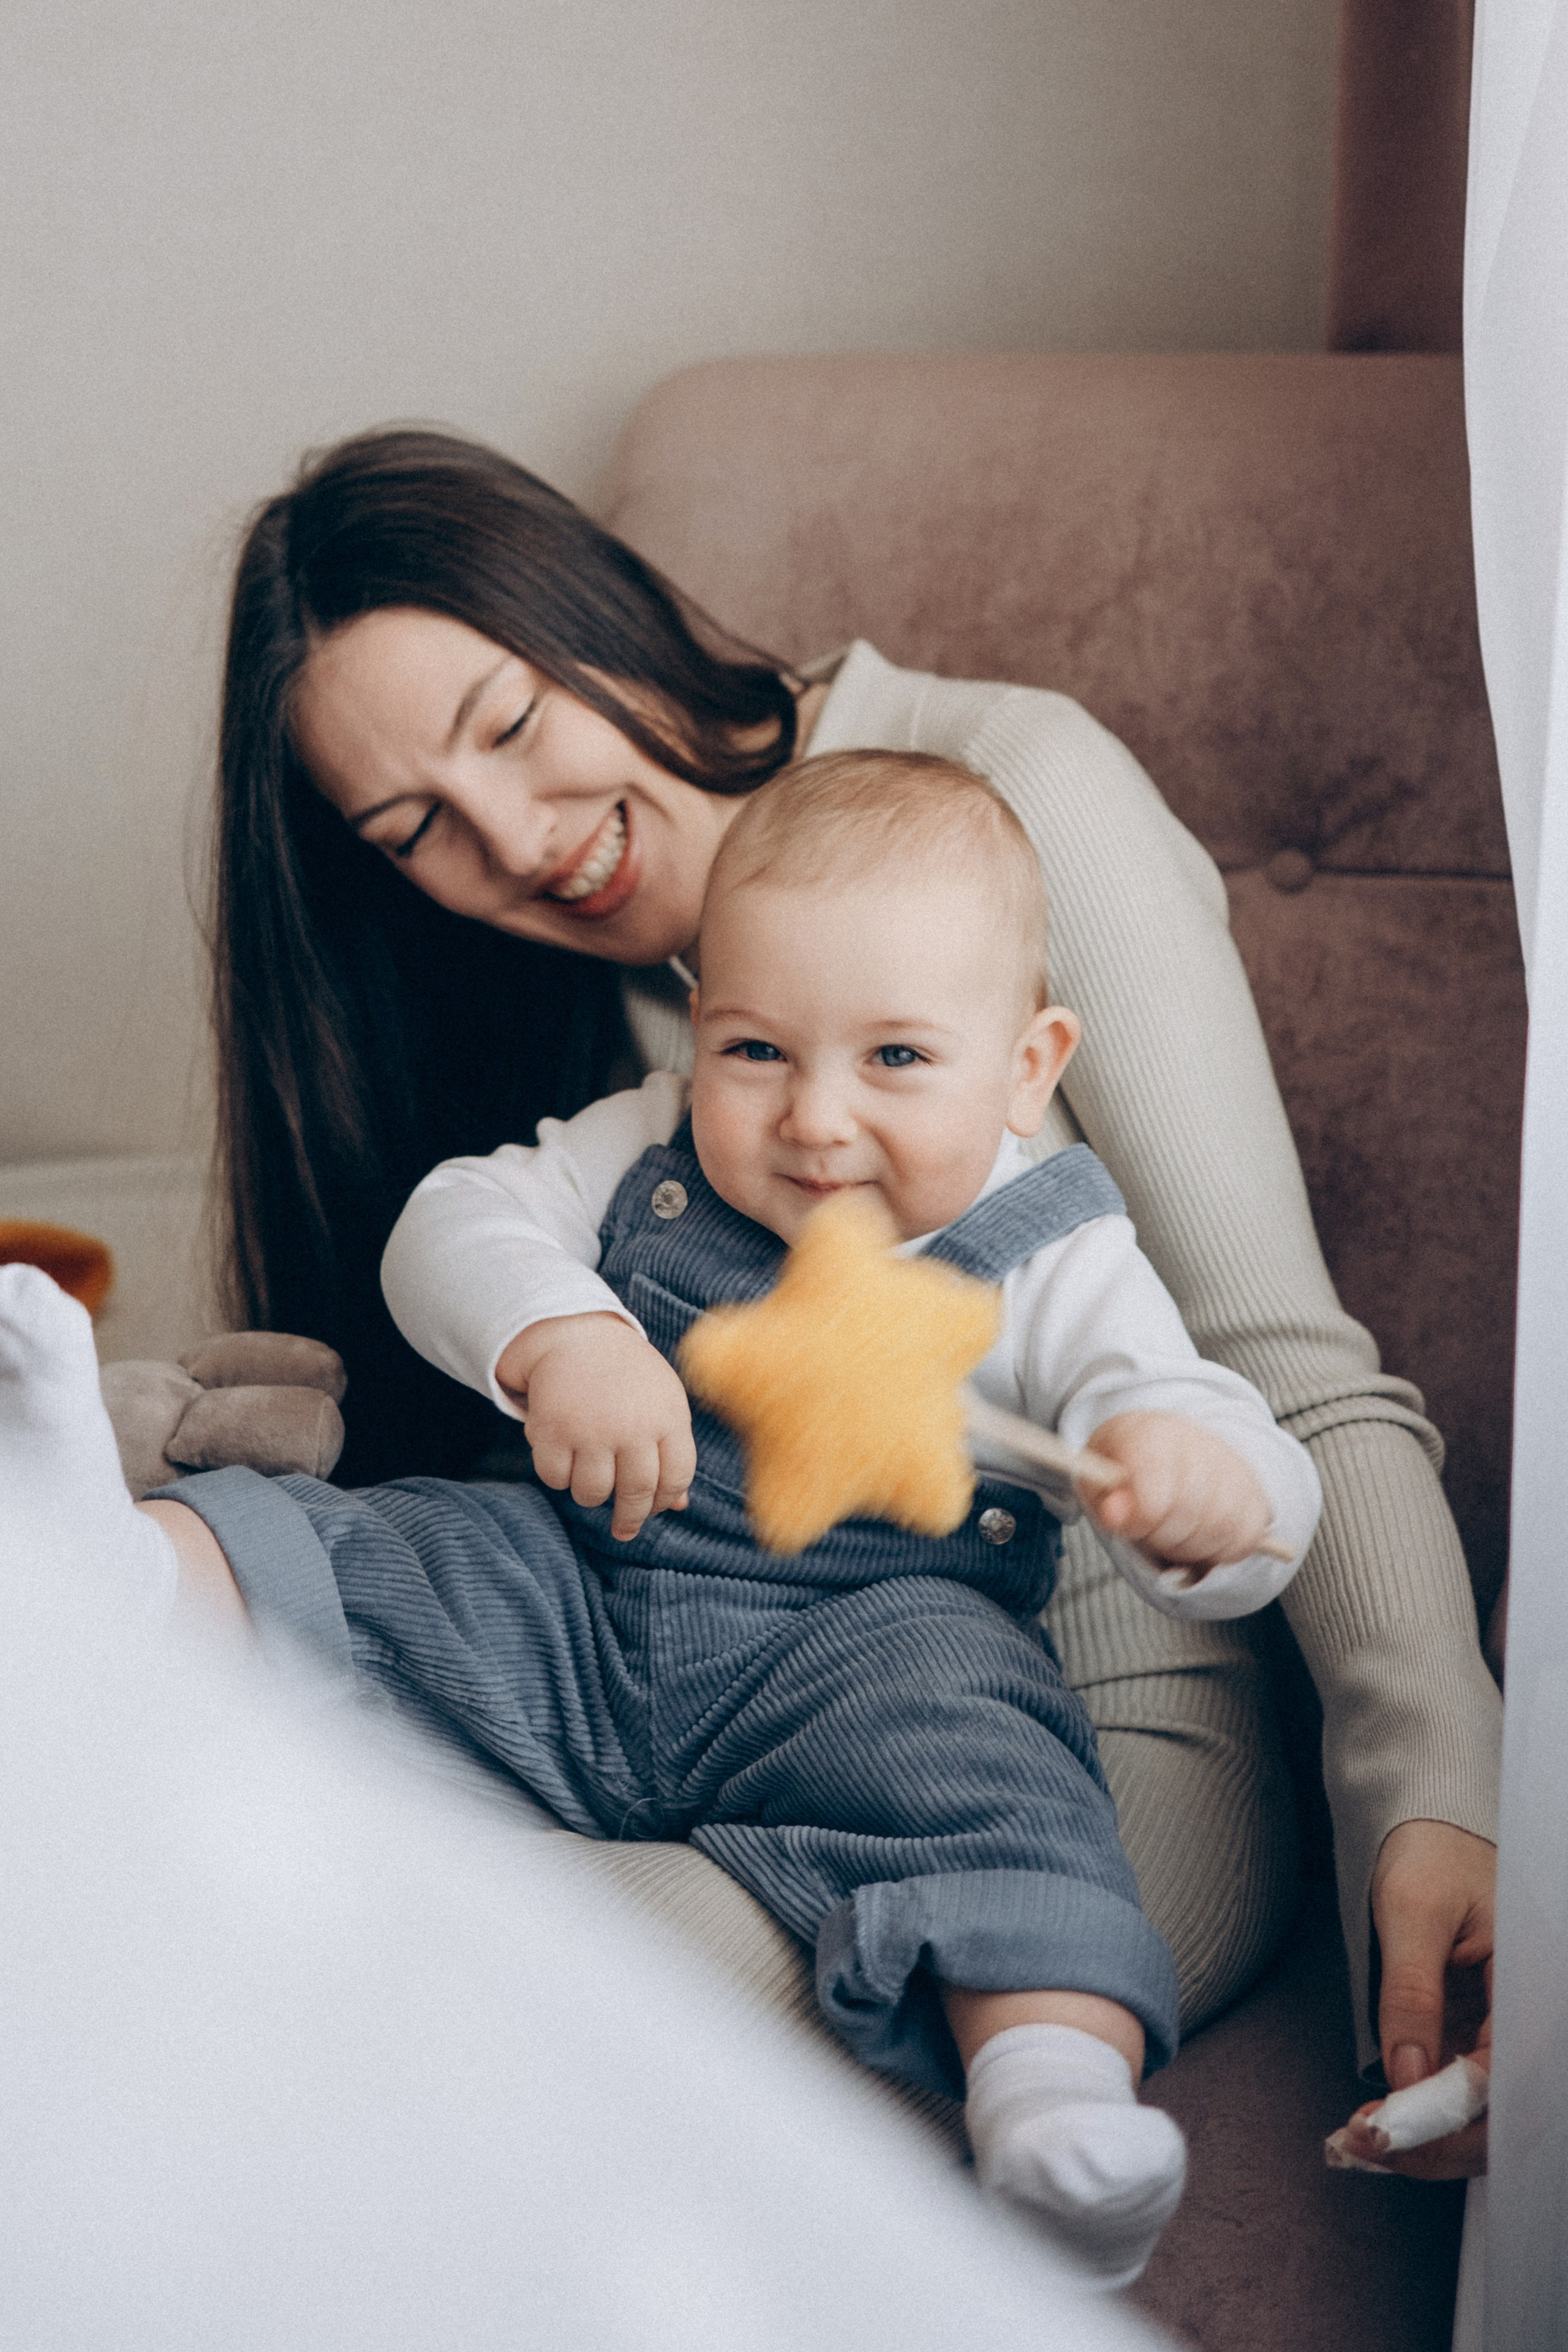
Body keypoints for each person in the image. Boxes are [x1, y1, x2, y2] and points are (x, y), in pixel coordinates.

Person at [189, 424, 1494, 2174]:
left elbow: (1284, 1364)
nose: (516, 842)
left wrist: (1439, 1797)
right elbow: (481, 1284)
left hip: (1046, 1730)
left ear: (594, 609)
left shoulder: (1010, 792)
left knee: (437, 1975)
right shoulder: (555, 1012)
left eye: (506, 726)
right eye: (419, 828)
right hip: (654, 1680)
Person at [1, 751, 1324, 2285]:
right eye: (757, 1048)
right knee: (366, 1546)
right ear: (698, 1027)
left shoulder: (1055, 1250)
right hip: (579, 1583)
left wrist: (1205, 1491)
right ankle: (102, 1573)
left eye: (896, 1058)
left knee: (1011, 1790)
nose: (815, 1120)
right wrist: (560, 1333)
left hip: (869, 1650)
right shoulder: (644, 1146)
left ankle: (1051, 2105)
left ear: (1027, 1065)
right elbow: (453, 1220)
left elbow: (1216, 1426)